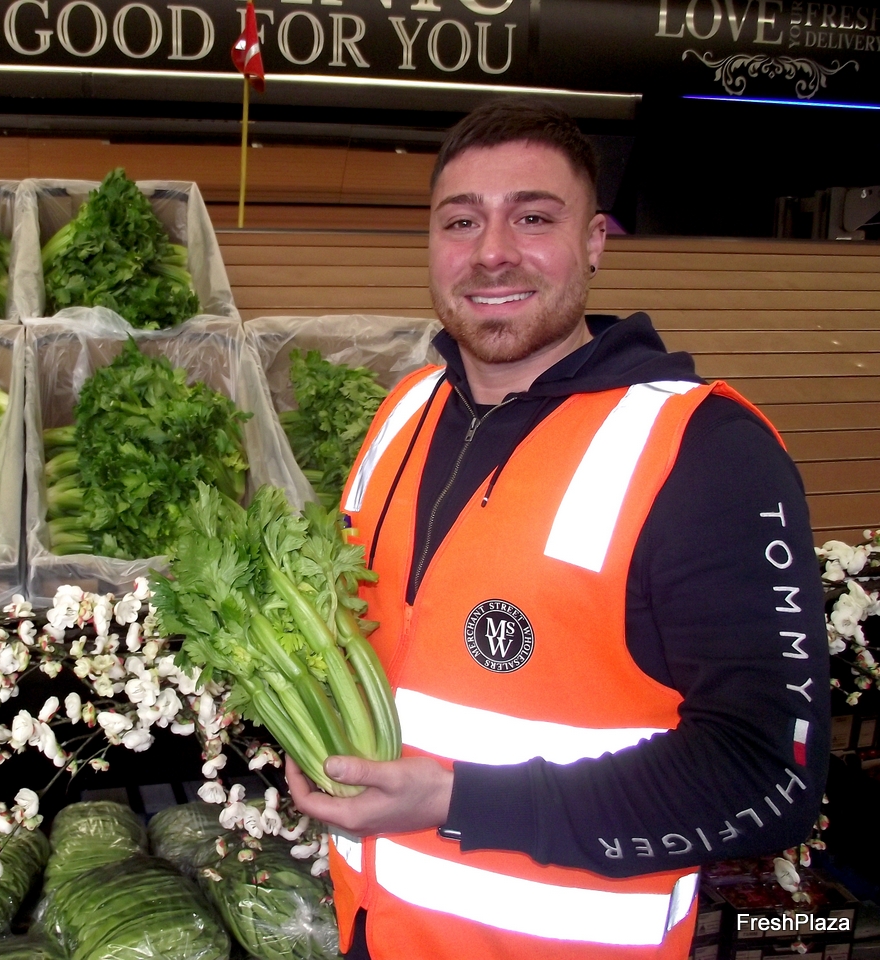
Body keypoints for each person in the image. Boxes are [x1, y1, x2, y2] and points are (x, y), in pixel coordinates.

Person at [284, 100, 830, 960]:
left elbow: (767, 778)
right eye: (461, 221)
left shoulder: (703, 450)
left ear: (596, 241)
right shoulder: (403, 411)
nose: (492, 250)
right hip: (373, 934)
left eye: (533, 217)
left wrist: (457, 801)